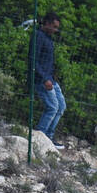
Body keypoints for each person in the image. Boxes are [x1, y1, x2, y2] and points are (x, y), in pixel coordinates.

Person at [33, 11, 66, 149]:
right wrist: (45, 78)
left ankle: (49, 136)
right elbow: (33, 60)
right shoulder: (38, 36)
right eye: (53, 26)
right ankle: (39, 137)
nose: (55, 30)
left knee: (61, 107)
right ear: (46, 23)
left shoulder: (48, 38)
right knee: (52, 107)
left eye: (56, 27)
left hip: (51, 79)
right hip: (42, 80)